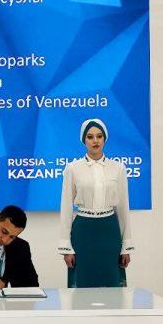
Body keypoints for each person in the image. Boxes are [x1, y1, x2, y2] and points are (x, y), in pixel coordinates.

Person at [58, 118, 133, 287]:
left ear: (104, 139)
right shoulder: (73, 168)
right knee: (82, 282)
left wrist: (126, 246)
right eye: (90, 137)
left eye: (99, 136)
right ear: (84, 140)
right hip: (83, 231)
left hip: (109, 230)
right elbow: (66, 207)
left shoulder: (118, 168)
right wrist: (66, 246)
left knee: (111, 282)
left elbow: (123, 208)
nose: (95, 141)